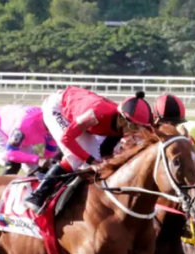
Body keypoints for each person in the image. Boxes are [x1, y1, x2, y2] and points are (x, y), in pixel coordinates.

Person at [24, 88, 153, 213]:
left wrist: (99, 163)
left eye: (140, 127)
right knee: (77, 158)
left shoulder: (119, 123)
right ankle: (38, 195)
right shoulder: (95, 115)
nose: (136, 131)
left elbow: (105, 153)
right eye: (133, 126)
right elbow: (67, 138)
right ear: (121, 119)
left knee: (96, 160)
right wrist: (92, 162)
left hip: (78, 109)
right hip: (58, 108)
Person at [0, 104, 58, 175]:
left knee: (36, 171)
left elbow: (49, 156)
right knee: (12, 162)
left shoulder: (54, 127)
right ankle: (2, 188)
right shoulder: (25, 125)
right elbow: (10, 154)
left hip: (18, 132)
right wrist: (37, 159)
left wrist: (46, 162)